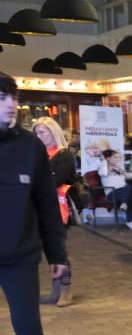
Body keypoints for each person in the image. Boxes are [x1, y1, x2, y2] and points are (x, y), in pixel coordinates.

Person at [0, 73, 70, 335]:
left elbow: (46, 204)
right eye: (2, 96)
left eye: (12, 96)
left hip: (21, 256)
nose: (10, 102)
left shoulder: (30, 147)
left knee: (29, 327)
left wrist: (57, 254)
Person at [32, 117, 78, 306]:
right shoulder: (38, 155)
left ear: (53, 133)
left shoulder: (63, 155)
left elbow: (57, 180)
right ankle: (56, 291)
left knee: (60, 250)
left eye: (42, 132)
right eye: (36, 133)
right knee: (50, 250)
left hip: (59, 208)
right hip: (40, 208)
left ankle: (65, 291)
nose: (39, 136)